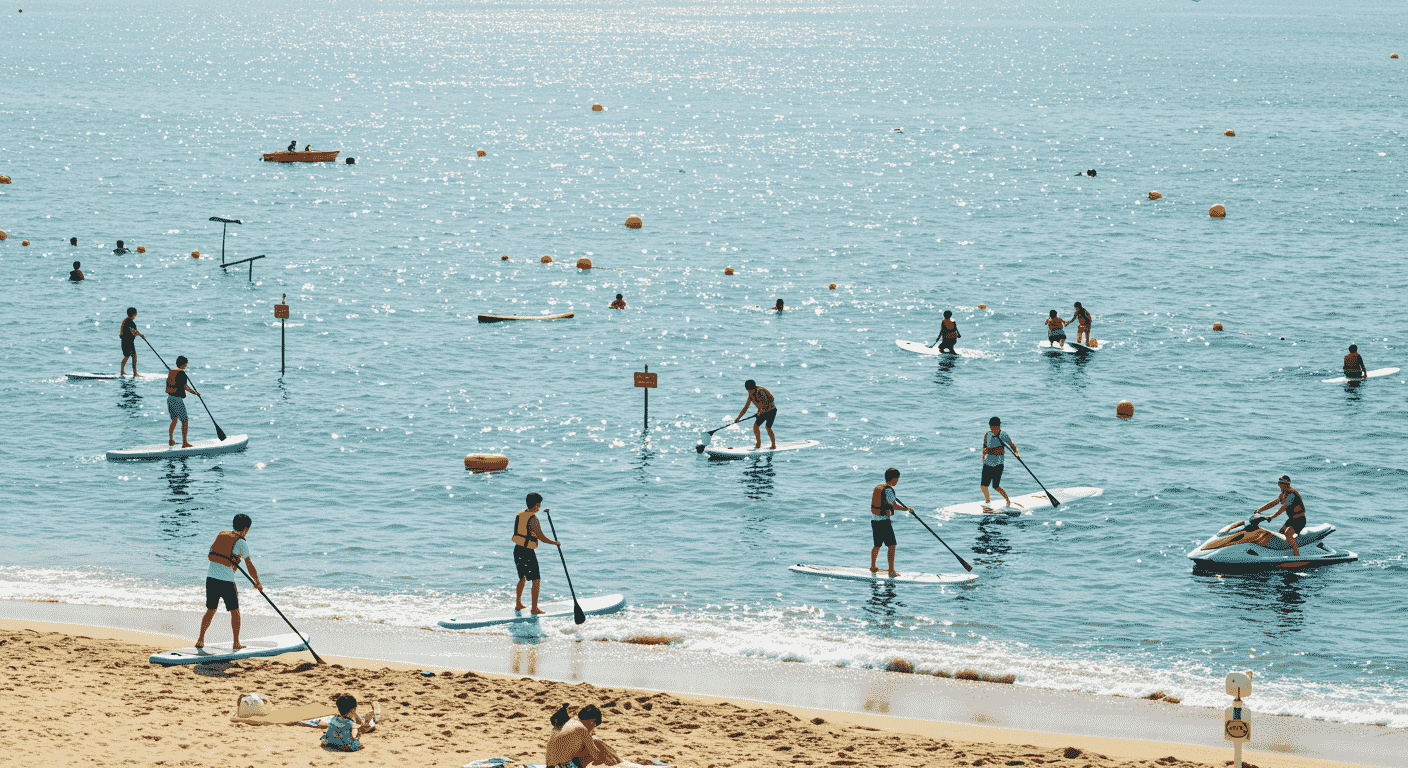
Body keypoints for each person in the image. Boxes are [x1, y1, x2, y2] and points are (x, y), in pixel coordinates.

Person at [196, 514, 261, 650]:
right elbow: (249, 564)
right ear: (245, 529)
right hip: (226, 581)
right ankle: (236, 643)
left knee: (211, 610)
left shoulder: (221, 534)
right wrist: (257, 582)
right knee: (235, 612)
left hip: (210, 578)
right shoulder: (242, 543)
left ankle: (200, 639)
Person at [512, 492, 560, 614]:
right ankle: (534, 608)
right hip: (527, 552)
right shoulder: (533, 519)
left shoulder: (520, 514)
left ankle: (518, 604)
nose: (539, 507)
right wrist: (555, 543)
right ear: (536, 505)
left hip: (517, 549)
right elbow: (541, 537)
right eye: (539, 505)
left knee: (522, 578)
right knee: (536, 579)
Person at [869, 468, 913, 577]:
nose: (897, 481)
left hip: (875, 521)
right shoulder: (888, 490)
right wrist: (906, 509)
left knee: (877, 545)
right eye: (897, 479)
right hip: (884, 522)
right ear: (893, 479)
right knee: (892, 546)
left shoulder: (879, 488)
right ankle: (891, 571)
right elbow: (893, 505)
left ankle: (873, 566)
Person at [545, 704, 621, 768]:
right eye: (595, 725)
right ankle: (619, 763)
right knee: (596, 742)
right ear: (593, 721)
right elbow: (596, 755)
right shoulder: (582, 729)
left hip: (550, 766)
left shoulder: (570, 723)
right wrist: (604, 758)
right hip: (562, 767)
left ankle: (618, 760)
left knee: (592, 744)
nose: (593, 729)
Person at [1255, 475, 1306, 556]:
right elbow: (1272, 503)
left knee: (1288, 534)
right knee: (1281, 533)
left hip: (1299, 519)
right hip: (1292, 519)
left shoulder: (1291, 494)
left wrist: (1272, 516)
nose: (1280, 484)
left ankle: (1296, 554)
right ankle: (1284, 550)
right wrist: (1259, 510)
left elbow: (1283, 508)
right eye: (1279, 482)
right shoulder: (1282, 494)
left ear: (1286, 485)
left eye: (1282, 483)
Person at [980, 417, 1019, 510]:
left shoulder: (1003, 435)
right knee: (983, 486)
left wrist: (1016, 453)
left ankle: (1007, 500)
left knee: (995, 486)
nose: (993, 429)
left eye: (995, 427)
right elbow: (984, 448)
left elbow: (1012, 446)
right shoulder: (987, 435)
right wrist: (983, 456)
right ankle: (987, 502)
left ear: (999, 426)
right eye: (992, 427)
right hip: (987, 464)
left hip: (998, 464)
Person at [166, 355, 200, 447]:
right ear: (183, 364)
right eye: (186, 364)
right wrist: (195, 393)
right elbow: (185, 387)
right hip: (177, 399)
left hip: (169, 399)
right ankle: (184, 442)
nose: (186, 365)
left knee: (174, 419)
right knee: (185, 420)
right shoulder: (181, 373)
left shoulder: (171, 372)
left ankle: (171, 440)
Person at [734, 379, 777, 450]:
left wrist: (762, 411)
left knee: (768, 427)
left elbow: (769, 400)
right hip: (762, 412)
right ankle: (758, 444)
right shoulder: (750, 395)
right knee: (755, 426)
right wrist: (738, 418)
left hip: (771, 411)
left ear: (754, 387)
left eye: (750, 390)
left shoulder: (761, 391)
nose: (749, 392)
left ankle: (773, 445)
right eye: (748, 390)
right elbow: (745, 408)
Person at [119, 307, 144, 376]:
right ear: (133, 314)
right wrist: (140, 335)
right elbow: (134, 332)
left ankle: (129, 372)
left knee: (133, 356)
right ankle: (131, 372)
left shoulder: (126, 321)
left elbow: (133, 332)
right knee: (128, 356)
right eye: (135, 314)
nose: (135, 316)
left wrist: (140, 335)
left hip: (128, 342)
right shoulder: (129, 322)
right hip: (127, 342)